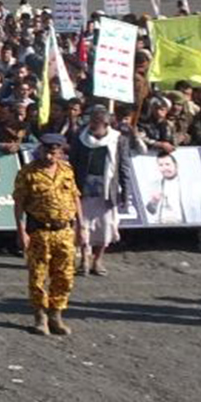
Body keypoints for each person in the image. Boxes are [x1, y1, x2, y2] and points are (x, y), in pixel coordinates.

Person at [12, 134, 84, 337]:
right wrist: (21, 231)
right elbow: (19, 204)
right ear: (40, 149)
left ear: (60, 152)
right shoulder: (28, 173)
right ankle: (40, 317)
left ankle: (56, 315)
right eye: (46, 151)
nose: (50, 156)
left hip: (64, 231)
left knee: (64, 276)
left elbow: (75, 198)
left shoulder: (67, 171)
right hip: (40, 232)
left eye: (54, 152)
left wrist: (81, 226)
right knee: (38, 276)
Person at [69, 106, 130, 275]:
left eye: (97, 122)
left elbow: (123, 167)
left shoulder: (118, 140)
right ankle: (84, 259)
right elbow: (73, 163)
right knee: (83, 224)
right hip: (84, 186)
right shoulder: (80, 138)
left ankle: (98, 260)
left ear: (105, 123)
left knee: (105, 226)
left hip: (106, 189)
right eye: (92, 121)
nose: (93, 125)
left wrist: (125, 192)